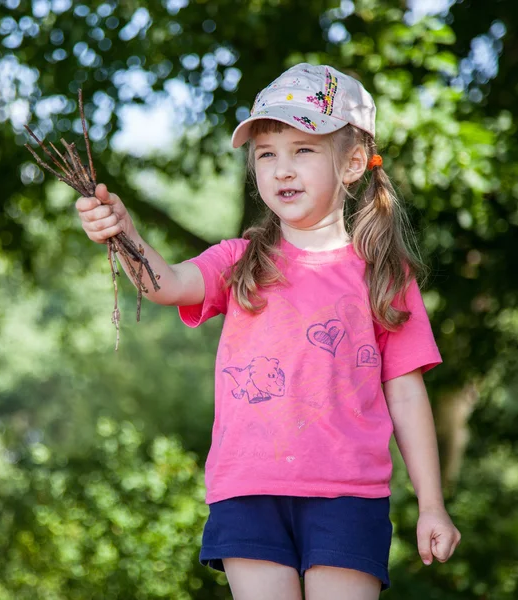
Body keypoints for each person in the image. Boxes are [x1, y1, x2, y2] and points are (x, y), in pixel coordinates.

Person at [76, 63, 461, 599]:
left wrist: (432, 504)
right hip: (247, 490)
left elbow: (406, 393)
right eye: (266, 154)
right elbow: (165, 284)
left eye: (302, 150)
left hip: (348, 496)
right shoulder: (239, 261)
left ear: (352, 162)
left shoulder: (383, 274)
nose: (282, 169)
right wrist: (124, 234)